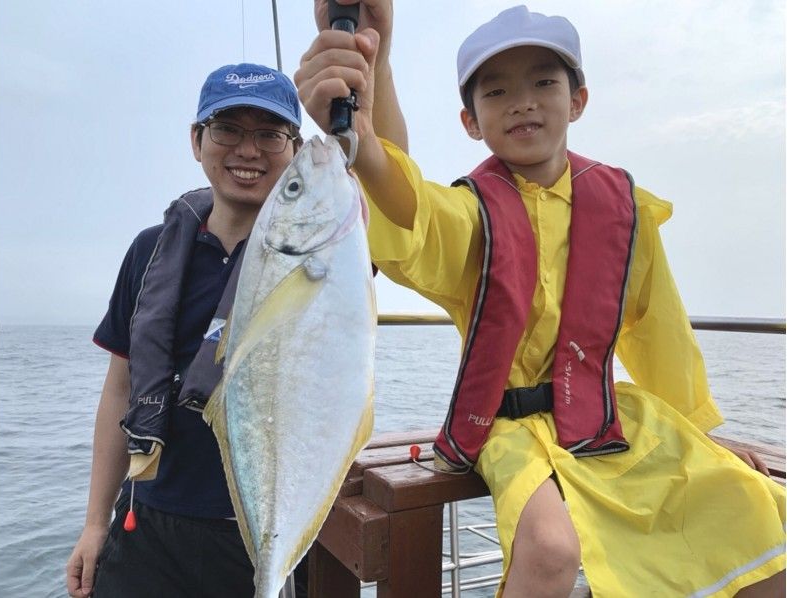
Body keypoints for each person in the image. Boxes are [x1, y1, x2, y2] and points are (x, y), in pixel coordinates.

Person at [295, 4, 786, 596]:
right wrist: (365, 137)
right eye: (497, 90)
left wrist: (701, 429)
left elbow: (662, 334)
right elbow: (411, 215)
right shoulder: (471, 213)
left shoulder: (629, 209)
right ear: (471, 121)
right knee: (551, 550)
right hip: (506, 424)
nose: (522, 101)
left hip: (610, 415)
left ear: (577, 100)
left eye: (544, 82)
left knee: (758, 504)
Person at [65, 62, 310, 598]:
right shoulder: (150, 250)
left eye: (270, 134)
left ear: (295, 150)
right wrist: (93, 523)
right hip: (145, 522)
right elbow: (120, 388)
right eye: (226, 130)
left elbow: (388, 207)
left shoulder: (314, 254)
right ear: (197, 141)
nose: (248, 151)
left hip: (260, 533)